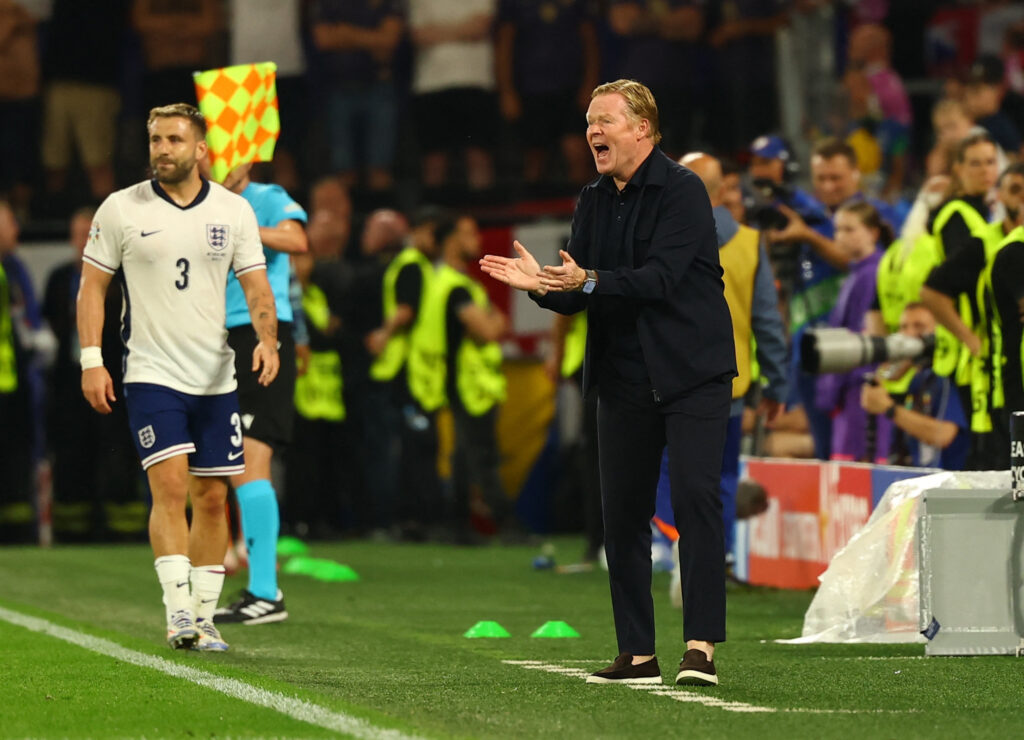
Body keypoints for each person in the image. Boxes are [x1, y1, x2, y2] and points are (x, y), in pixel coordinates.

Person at [480, 79, 735, 687]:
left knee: (697, 501)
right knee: (621, 514)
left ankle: (700, 646)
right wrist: (543, 286)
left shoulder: (683, 190)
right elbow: (578, 293)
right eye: (590, 122)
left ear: (642, 128)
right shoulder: (592, 199)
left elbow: (661, 278)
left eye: (606, 121)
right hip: (622, 374)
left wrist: (585, 281)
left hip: (690, 370)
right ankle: (638, 652)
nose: (593, 132)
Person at [78, 103, 279, 652]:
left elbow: (258, 287)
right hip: (151, 372)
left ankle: (206, 616)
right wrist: (92, 360)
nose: (162, 149)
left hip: (216, 376)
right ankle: (178, 614)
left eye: (173, 139)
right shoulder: (120, 209)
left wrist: (267, 339)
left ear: (200, 150)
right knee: (170, 488)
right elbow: (92, 287)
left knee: (213, 496)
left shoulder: (234, 212)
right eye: (155, 139)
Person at [655, 152, 787, 572]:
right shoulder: (748, 243)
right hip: (726, 382)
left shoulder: (659, 237)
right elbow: (767, 319)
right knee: (720, 476)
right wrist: (777, 384)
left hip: (665, 374)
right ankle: (718, 556)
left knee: (664, 466)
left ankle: (669, 543)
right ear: (720, 190)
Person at [209, 162, 307, 625]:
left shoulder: (267, 196)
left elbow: (296, 240)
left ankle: (266, 591)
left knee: (252, 456)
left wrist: (244, 226)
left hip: (260, 330)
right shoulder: (202, 201)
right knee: (223, 460)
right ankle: (244, 581)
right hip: (212, 334)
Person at [409, 213, 511, 543]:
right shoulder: (455, 287)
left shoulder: (450, 282)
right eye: (469, 234)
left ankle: (458, 526)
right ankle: (504, 525)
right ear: (452, 240)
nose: (478, 241)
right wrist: (493, 320)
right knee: (479, 456)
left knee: (465, 457)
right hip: (466, 382)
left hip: (461, 381)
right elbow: (490, 329)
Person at [43, 207, 141, 541]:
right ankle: (71, 529)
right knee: (72, 451)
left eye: (90, 236)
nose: (84, 243)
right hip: (70, 380)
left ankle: (122, 528)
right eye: (78, 236)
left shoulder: (120, 281)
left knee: (117, 450)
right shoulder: (59, 279)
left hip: (115, 376)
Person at [919, 132, 1003, 468]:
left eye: (990, 161)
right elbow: (940, 289)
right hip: (969, 360)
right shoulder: (958, 215)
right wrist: (970, 340)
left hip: (979, 357)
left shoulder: (985, 213)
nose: (985, 170)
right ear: (958, 169)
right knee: (978, 453)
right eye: (975, 163)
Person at [814, 201, 892, 463]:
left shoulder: (872, 273)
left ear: (873, 232)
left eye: (850, 229)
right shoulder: (857, 272)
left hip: (859, 393)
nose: (840, 237)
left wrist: (832, 392)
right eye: (838, 230)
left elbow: (863, 341)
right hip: (849, 393)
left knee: (857, 478)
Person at [860, 303, 969, 470]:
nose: (909, 334)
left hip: (956, 484)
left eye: (919, 326)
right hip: (923, 480)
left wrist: (889, 408)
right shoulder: (918, 379)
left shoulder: (949, 376)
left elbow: (945, 435)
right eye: (903, 327)